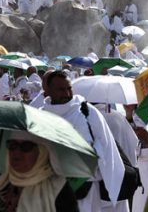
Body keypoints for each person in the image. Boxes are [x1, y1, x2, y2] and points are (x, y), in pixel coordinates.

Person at [41, 71, 126, 212]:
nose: (67, 94)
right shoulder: (41, 115)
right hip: (51, 188)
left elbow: (107, 146)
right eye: (61, 89)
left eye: (69, 88)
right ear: (47, 90)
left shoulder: (87, 112)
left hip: (84, 188)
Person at [0, 131, 79, 212]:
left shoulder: (57, 188)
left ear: (41, 152)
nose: (16, 152)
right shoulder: (0, 183)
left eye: (26, 147)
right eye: (12, 145)